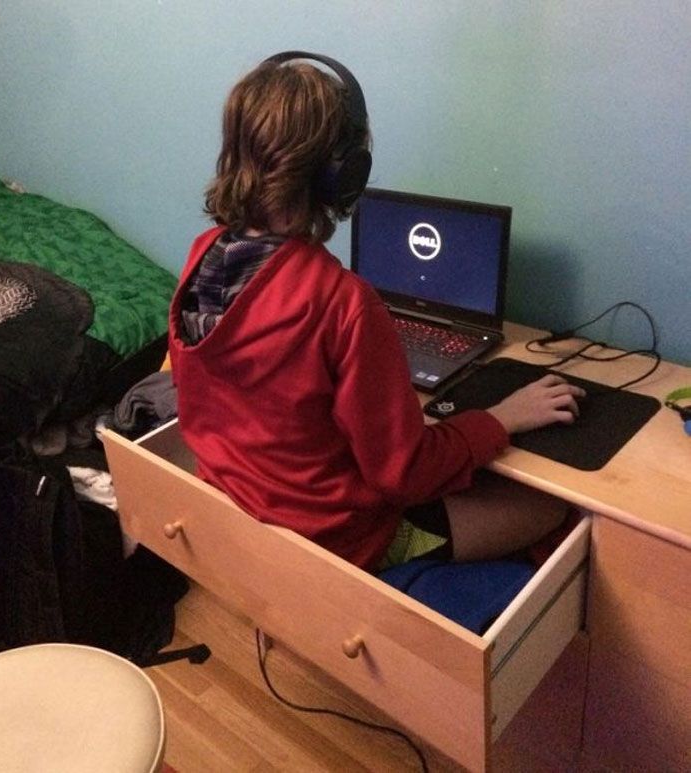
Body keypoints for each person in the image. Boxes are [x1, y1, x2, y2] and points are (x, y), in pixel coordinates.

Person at [168, 52, 585, 572]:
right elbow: (404, 474)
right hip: (341, 537)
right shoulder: (341, 302)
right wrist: (501, 419)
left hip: (243, 506)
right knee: (552, 509)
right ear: (342, 175)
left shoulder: (202, 257)